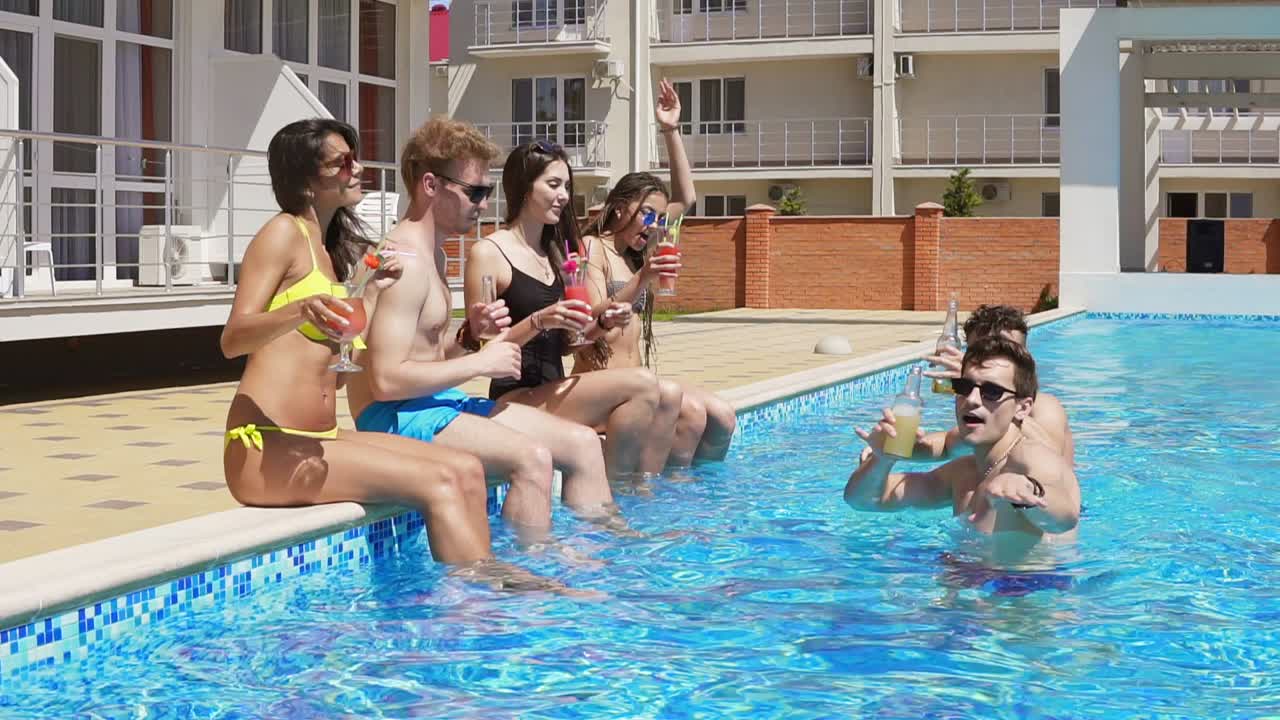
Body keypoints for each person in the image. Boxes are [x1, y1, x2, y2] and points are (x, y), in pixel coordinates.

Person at [219, 118, 494, 565]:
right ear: (307, 178)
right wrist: (298, 311)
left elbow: (339, 378)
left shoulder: (326, 251)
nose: (358, 167)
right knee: (440, 483)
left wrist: (368, 295)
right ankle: (466, 610)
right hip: (267, 446)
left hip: (317, 437)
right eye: (343, 161)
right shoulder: (283, 233)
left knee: (464, 467)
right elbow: (233, 339)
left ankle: (485, 581)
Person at [348, 118, 617, 541]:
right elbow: (384, 381)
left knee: (582, 444)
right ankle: (531, 589)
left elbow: (427, 358)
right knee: (532, 459)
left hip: (433, 402)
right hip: (393, 415)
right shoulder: (404, 262)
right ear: (431, 185)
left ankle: (604, 557)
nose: (483, 203)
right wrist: (479, 361)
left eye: (486, 192)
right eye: (475, 192)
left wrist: (468, 337)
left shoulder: (432, 256)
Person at [465, 141, 683, 481]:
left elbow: (567, 344)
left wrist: (599, 323)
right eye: (553, 185)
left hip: (556, 388)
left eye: (566, 186)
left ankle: (642, 493)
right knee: (642, 384)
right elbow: (485, 353)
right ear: (524, 187)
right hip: (515, 398)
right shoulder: (489, 253)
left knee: (666, 392)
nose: (564, 195)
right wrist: (539, 320)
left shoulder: (556, 254)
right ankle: (621, 495)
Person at [572, 78, 736, 466]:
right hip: (602, 383)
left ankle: (696, 495)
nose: (654, 224)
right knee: (693, 414)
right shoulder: (591, 248)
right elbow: (594, 317)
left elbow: (687, 198)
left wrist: (670, 129)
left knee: (723, 418)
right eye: (647, 213)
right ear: (617, 207)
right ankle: (664, 496)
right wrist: (643, 277)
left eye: (659, 218)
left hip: (640, 376)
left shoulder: (637, 252)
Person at [844, 336, 1080, 558]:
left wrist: (1028, 492)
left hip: (1022, 595)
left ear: (1022, 408)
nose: (972, 400)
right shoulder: (963, 473)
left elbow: (1064, 517)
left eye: (992, 392)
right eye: (964, 387)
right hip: (971, 586)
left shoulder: (1028, 457)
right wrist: (882, 459)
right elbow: (862, 501)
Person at [869, 304, 1074, 466]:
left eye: (1005, 351)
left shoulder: (1045, 406)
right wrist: (886, 449)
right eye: (981, 352)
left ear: (1025, 355)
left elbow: (1052, 456)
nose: (990, 361)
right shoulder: (981, 416)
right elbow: (948, 446)